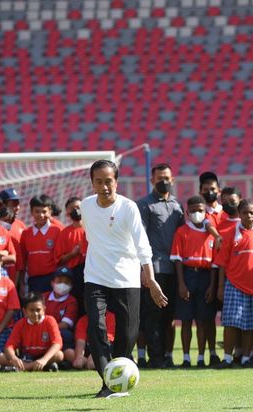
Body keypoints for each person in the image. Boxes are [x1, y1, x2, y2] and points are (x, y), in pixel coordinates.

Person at [81, 159, 167, 397]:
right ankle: (109, 381)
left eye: (108, 181)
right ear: (92, 183)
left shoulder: (129, 208)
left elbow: (143, 245)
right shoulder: (86, 206)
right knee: (96, 328)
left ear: (116, 182)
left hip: (126, 279)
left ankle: (118, 376)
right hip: (95, 276)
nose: (104, 186)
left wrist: (150, 281)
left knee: (128, 333)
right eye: (98, 181)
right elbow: (92, 236)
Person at [215, 199, 253, 368]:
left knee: (252, 324)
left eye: (251, 212)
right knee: (231, 323)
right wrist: (220, 286)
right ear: (239, 214)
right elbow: (222, 263)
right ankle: (227, 358)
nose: (248, 215)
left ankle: (247, 358)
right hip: (235, 285)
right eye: (245, 212)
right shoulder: (230, 234)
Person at [137, 163, 184, 368]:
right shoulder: (144, 205)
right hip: (154, 269)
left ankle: (166, 356)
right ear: (152, 180)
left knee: (169, 316)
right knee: (152, 314)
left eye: (167, 178)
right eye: (159, 178)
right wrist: (142, 270)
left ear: (172, 180)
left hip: (174, 269)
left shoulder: (177, 205)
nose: (163, 181)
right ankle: (154, 358)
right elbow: (138, 239)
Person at [170, 196, 217, 368]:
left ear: (206, 211)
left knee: (203, 320)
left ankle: (201, 357)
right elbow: (177, 260)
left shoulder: (211, 232)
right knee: (186, 320)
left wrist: (212, 285)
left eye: (201, 210)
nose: (197, 213)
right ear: (187, 213)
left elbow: (214, 264)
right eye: (193, 211)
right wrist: (182, 284)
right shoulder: (182, 231)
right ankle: (186, 357)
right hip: (188, 276)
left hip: (205, 277)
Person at [0, 292, 63, 372]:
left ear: (44, 309)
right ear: (25, 311)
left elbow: (57, 343)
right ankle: (39, 367)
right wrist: (14, 358)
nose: (35, 313)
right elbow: (9, 346)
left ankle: (25, 368)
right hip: (25, 358)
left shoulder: (50, 321)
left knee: (59, 355)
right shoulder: (20, 324)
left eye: (38, 310)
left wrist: (44, 360)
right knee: (0, 357)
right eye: (31, 310)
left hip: (44, 356)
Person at [18, 195, 61, 294]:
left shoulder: (57, 230)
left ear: (50, 211)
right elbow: (23, 261)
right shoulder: (26, 233)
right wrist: (21, 282)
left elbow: (61, 258)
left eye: (44, 212)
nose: (41, 215)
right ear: (31, 212)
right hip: (33, 280)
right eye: (37, 211)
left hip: (53, 278)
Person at [54, 196, 87, 308]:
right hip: (74, 273)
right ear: (67, 212)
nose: (76, 210)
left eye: (78, 207)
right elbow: (59, 259)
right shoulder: (64, 233)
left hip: (92, 271)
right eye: (72, 208)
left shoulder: (92, 228)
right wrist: (73, 254)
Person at [44, 266, 79, 366]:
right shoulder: (43, 297)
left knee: (66, 334)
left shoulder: (72, 301)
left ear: (71, 286)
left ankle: (62, 359)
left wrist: (48, 329)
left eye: (66, 282)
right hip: (42, 332)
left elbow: (65, 324)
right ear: (52, 283)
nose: (62, 284)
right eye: (59, 281)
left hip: (57, 332)